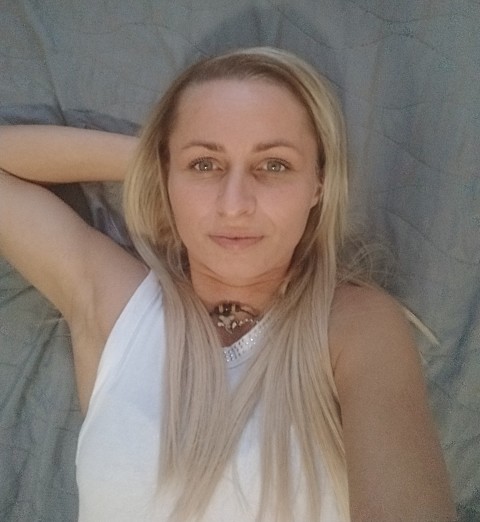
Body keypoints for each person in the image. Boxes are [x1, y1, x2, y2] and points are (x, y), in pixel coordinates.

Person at [0, 47, 456, 521]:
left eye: (274, 165)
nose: (234, 204)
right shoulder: (120, 311)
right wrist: (158, 163)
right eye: (204, 165)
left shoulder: (355, 329)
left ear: (318, 185)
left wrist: (190, 161)